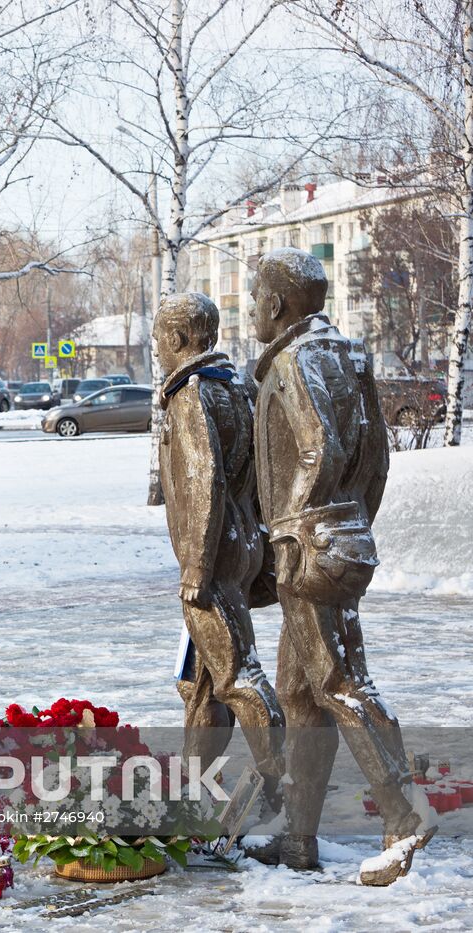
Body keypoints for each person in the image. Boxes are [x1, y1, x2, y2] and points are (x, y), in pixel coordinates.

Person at [248, 248, 429, 885]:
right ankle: (299, 841)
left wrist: (299, 529)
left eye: (254, 298)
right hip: (342, 535)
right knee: (300, 692)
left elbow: (317, 446)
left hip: (307, 546)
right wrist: (354, 520)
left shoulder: (295, 359)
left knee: (338, 682)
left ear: (274, 305)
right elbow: (377, 458)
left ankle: (405, 816)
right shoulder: (350, 355)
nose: (251, 310)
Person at [154, 293, 284, 812]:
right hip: (240, 541)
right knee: (203, 684)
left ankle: (283, 785)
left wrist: (198, 566)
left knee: (237, 675)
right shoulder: (236, 388)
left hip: (212, 556)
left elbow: (204, 479)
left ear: (180, 340)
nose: (159, 350)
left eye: (161, 339)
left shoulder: (190, 394)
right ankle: (190, 792)